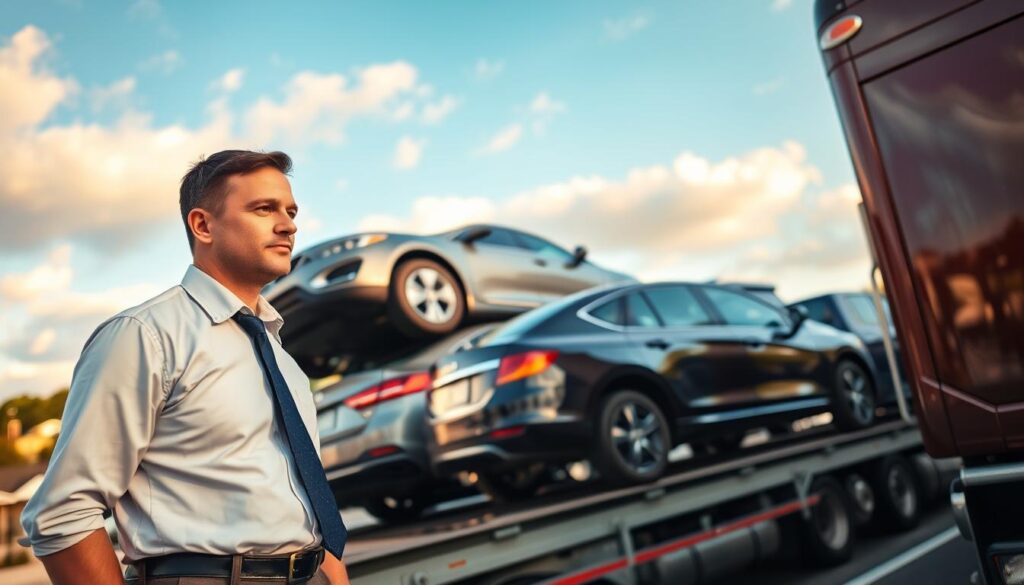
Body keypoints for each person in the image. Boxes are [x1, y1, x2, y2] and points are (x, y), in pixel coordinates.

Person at [20, 150, 350, 585]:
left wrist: (330, 572)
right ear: (202, 225)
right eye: (264, 208)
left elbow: (302, 494)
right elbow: (62, 513)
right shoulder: (144, 335)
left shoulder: (282, 358)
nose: (288, 224)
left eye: (290, 211)